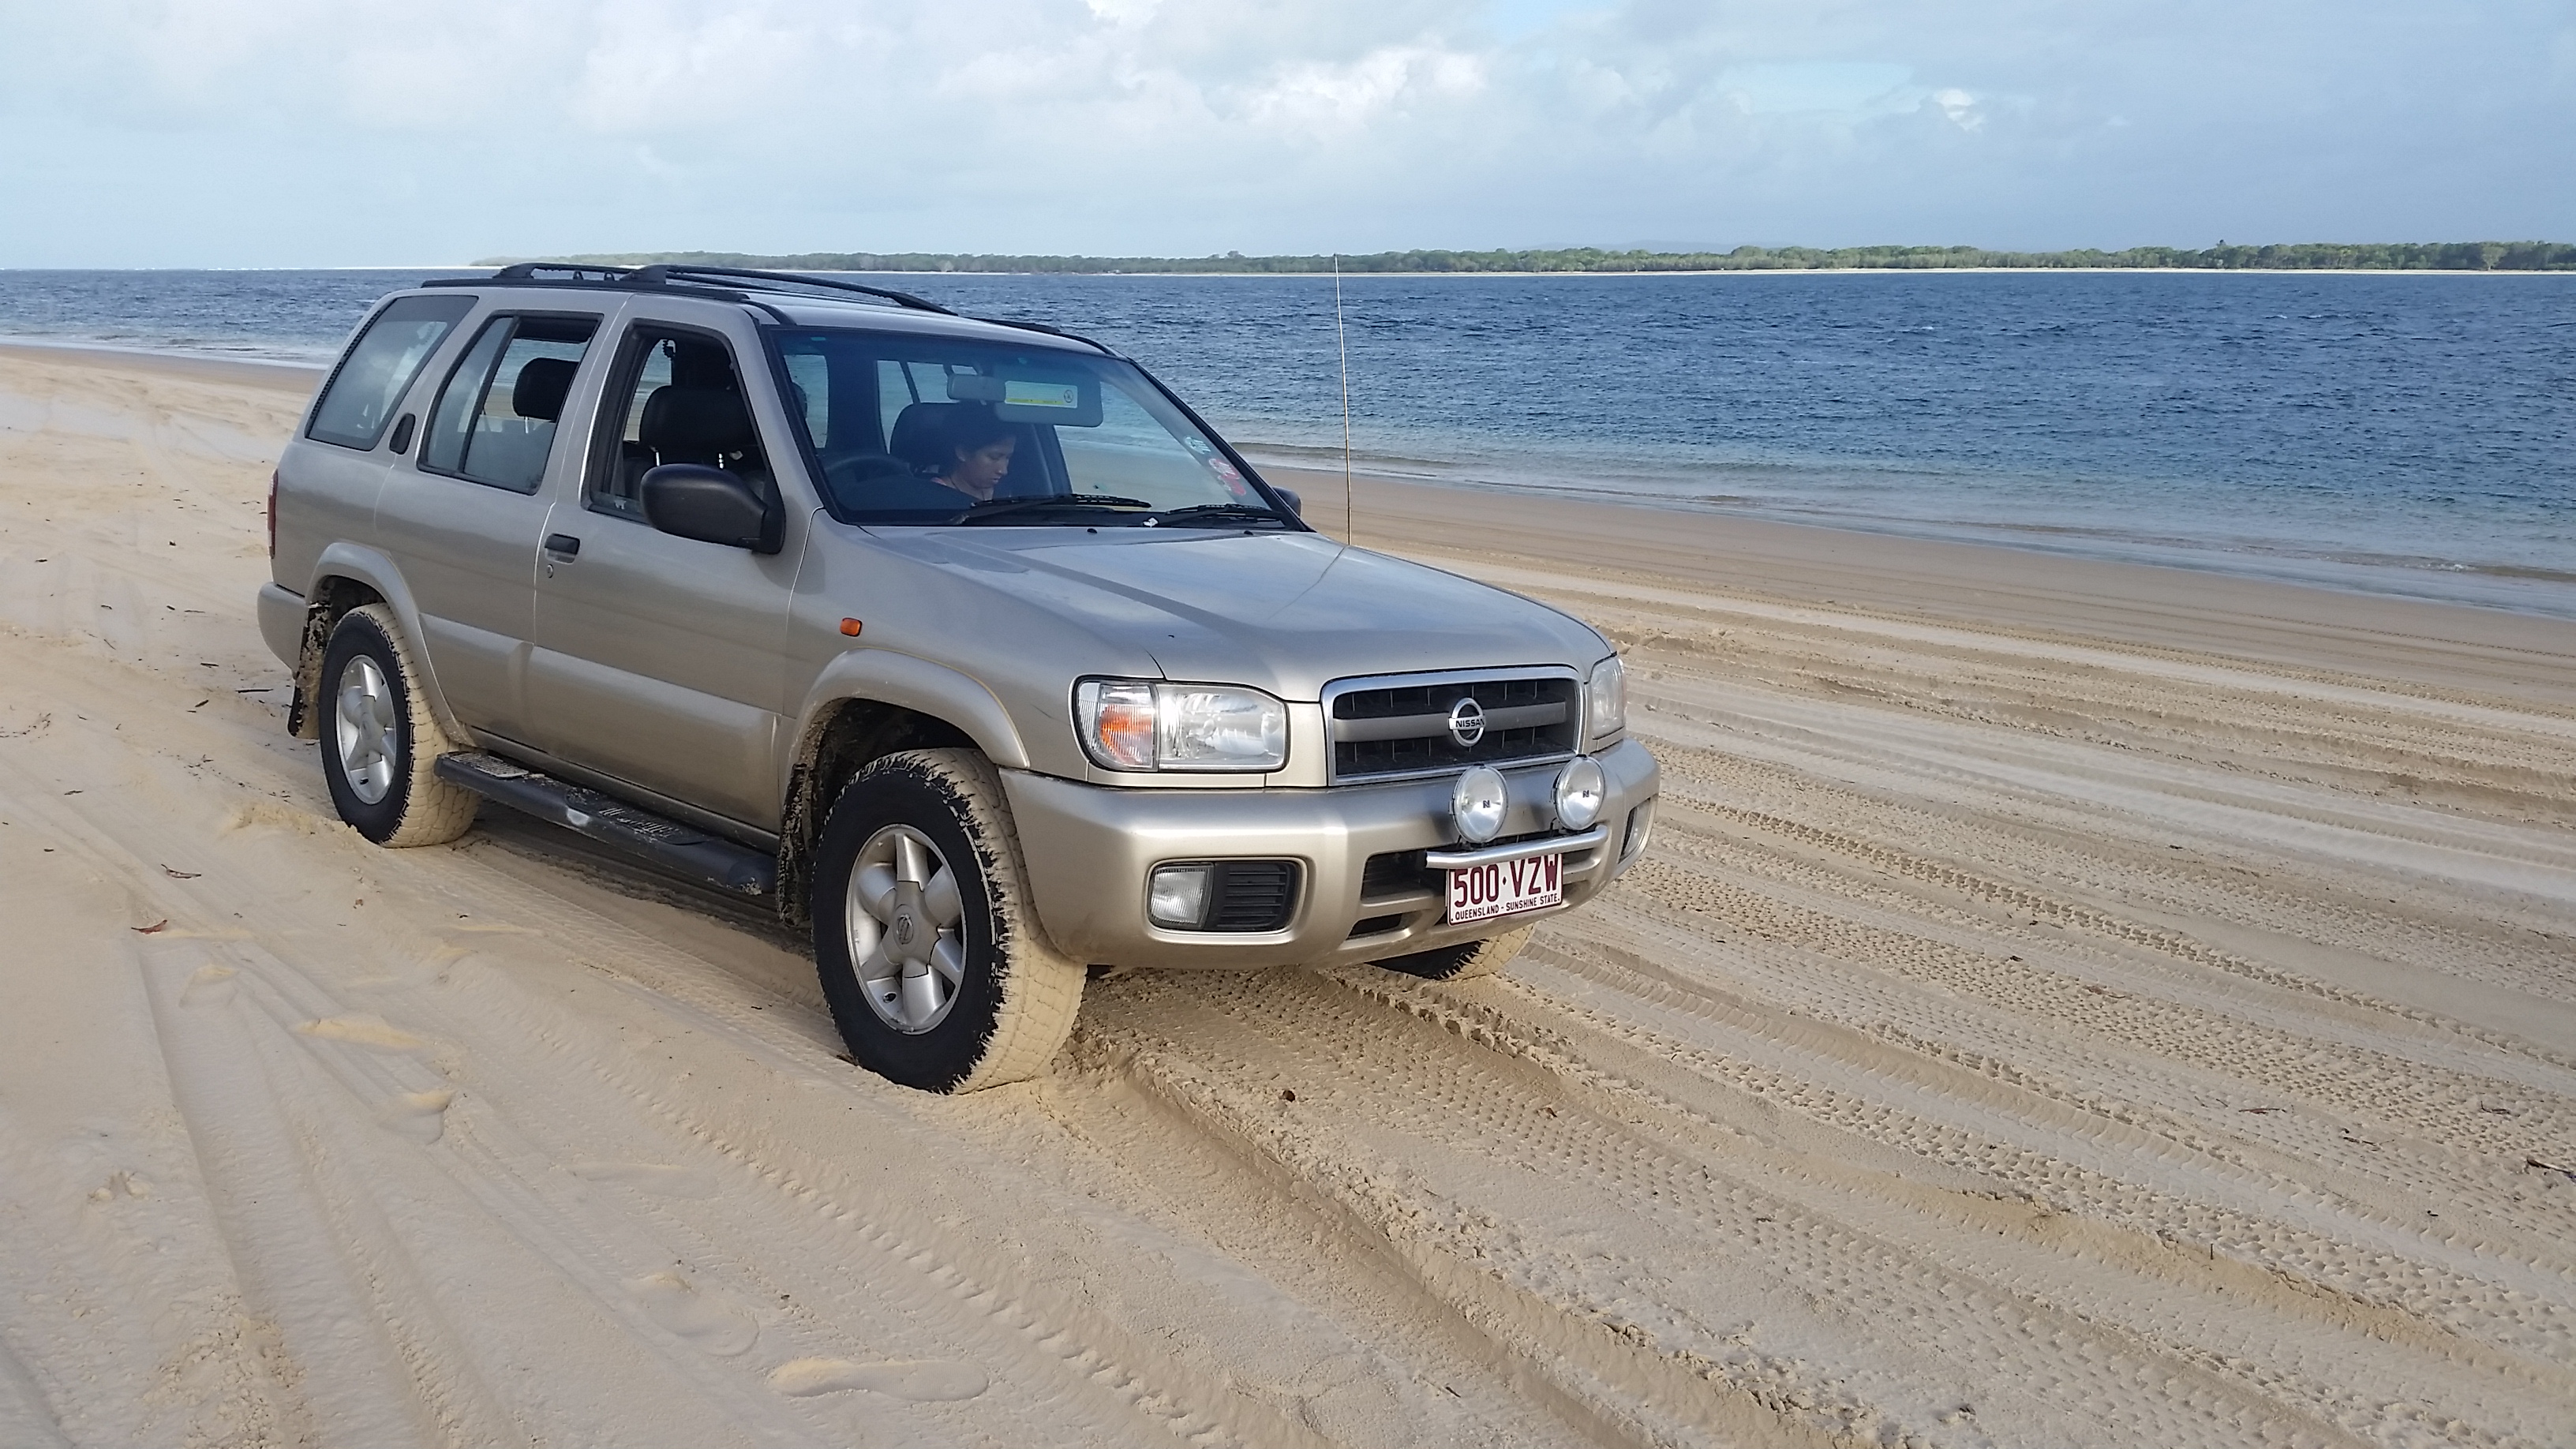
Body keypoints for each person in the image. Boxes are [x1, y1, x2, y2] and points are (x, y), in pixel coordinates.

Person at [925, 404, 1017, 503]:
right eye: (994, 457)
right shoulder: (935, 496)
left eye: (1008, 458)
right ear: (963, 453)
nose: (1003, 471)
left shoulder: (1008, 493)